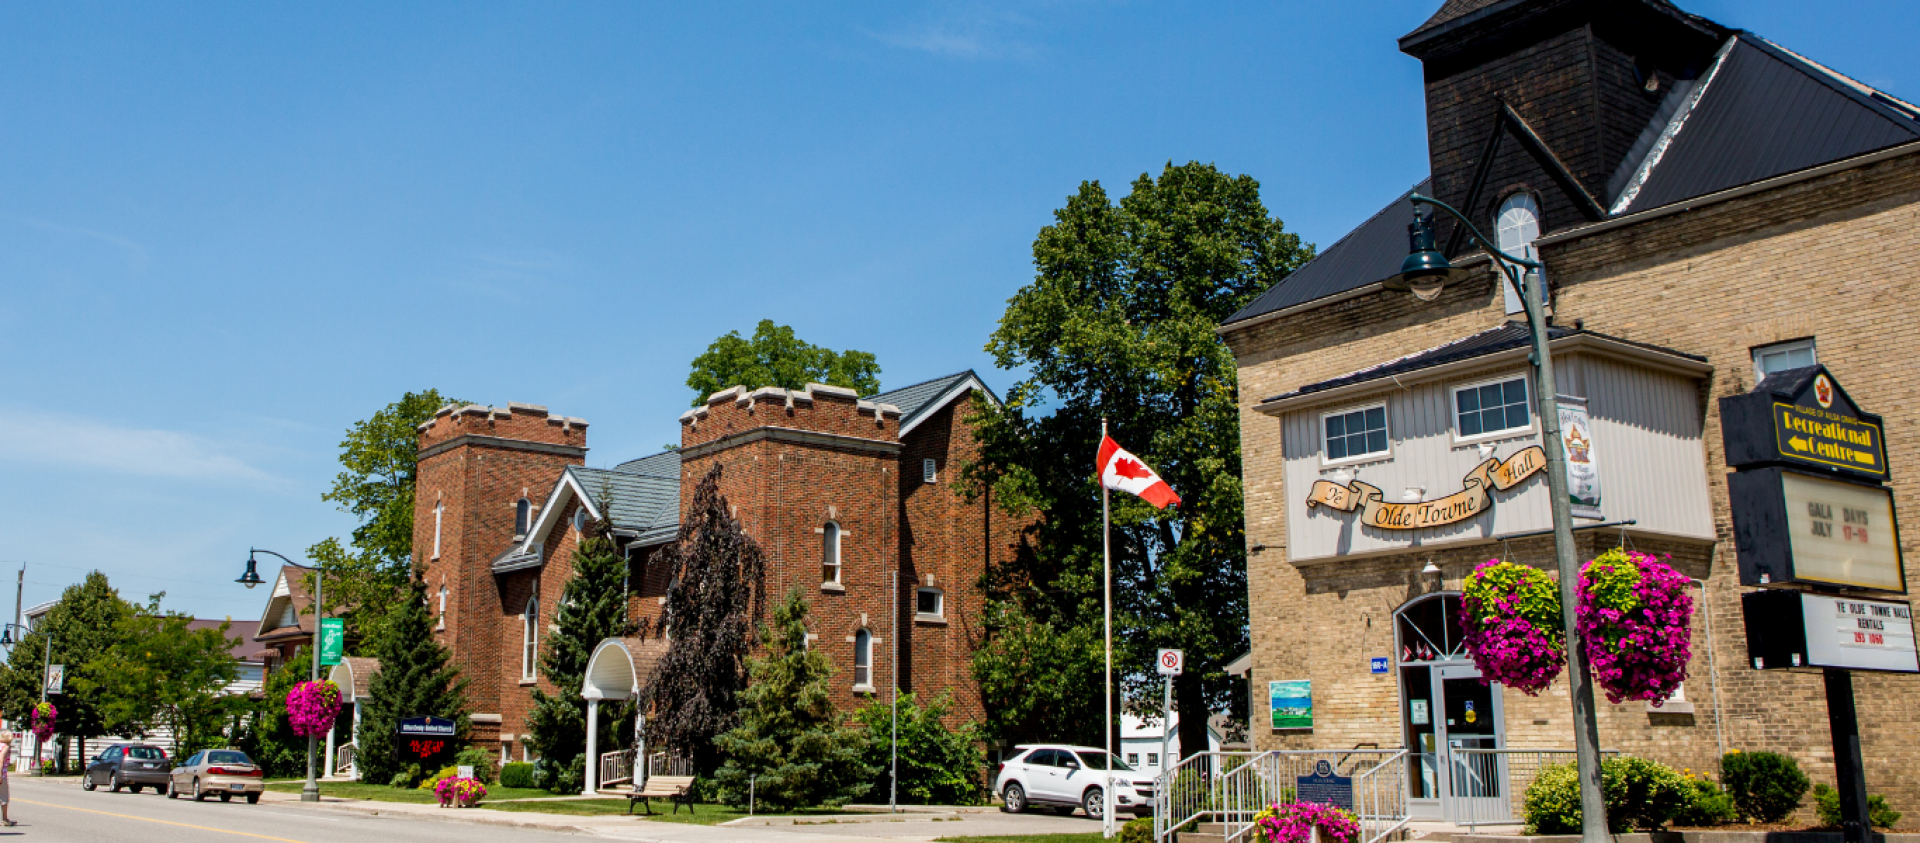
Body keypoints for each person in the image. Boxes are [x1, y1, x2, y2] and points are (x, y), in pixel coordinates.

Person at [0, 729, 14, 827]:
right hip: (2, 774)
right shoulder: (5, 747)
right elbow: (1, 760)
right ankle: (5, 819)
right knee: (4, 797)